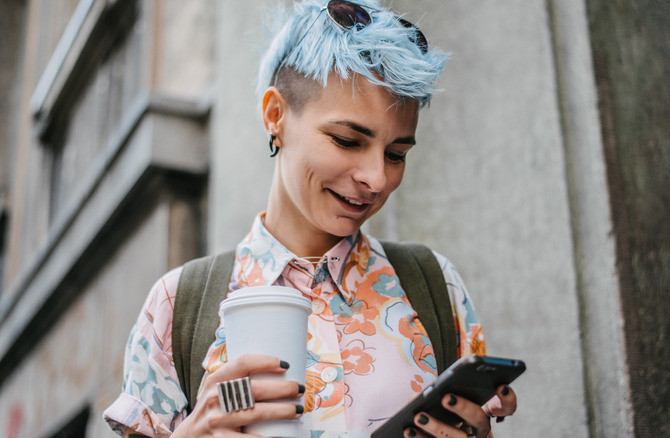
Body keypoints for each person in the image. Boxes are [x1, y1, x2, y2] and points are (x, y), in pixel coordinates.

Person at [103, 1, 517, 437]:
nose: (376, 178)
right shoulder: (177, 306)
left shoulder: (435, 284)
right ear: (275, 116)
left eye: (396, 155)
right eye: (347, 140)